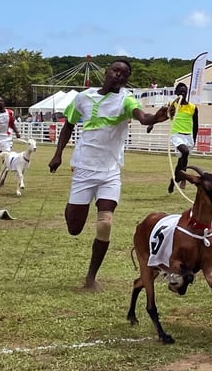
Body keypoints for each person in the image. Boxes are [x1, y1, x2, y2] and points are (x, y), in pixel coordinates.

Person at [48, 60, 169, 290]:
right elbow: (69, 125)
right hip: (84, 168)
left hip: (110, 172)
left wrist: (154, 118)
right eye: (116, 71)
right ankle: (72, 206)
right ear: (106, 72)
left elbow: (142, 117)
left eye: (124, 74)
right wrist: (58, 154)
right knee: (74, 228)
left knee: (105, 224)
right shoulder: (83, 98)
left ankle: (91, 277)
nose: (119, 76)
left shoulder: (126, 99)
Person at [166, 82, 198, 193]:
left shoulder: (192, 107)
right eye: (180, 91)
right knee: (184, 152)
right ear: (176, 93)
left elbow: (196, 125)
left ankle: (174, 180)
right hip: (176, 135)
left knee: (181, 161)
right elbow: (161, 115)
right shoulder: (171, 105)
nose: (182, 93)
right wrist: (151, 125)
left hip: (188, 136)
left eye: (184, 91)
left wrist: (194, 139)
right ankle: (183, 176)